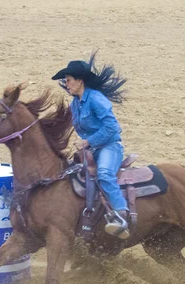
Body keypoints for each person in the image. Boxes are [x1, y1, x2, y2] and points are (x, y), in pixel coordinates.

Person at [51, 51, 130, 239]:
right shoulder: (75, 104)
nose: (66, 83)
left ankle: (121, 214)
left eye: (69, 80)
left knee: (104, 173)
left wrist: (88, 142)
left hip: (109, 147)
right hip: (90, 150)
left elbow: (112, 127)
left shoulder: (96, 99)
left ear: (80, 81)